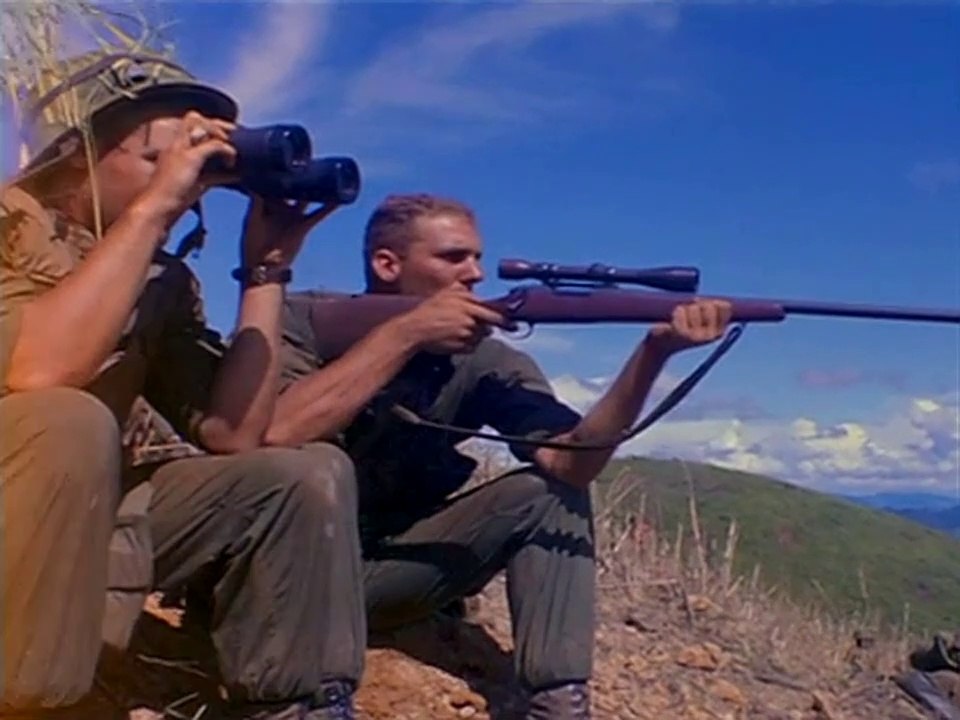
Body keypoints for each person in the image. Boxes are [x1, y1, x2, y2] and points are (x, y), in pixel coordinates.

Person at [270, 193, 734, 719]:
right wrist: (406, 334)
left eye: (477, 259)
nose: (474, 274)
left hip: (381, 580)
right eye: (452, 258)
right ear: (386, 264)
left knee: (549, 493)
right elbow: (277, 432)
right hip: (286, 580)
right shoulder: (302, 320)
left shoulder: (486, 360)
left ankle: (558, 705)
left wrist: (651, 356)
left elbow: (572, 465)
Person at [0, 49, 363, 719]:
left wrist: (264, 273)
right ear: (75, 154)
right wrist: (154, 211)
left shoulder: (157, 277)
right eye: (156, 160)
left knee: (303, 473)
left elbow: (235, 433)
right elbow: (38, 372)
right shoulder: (7, 226)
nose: (185, 182)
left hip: (85, 516)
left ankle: (298, 702)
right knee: (69, 421)